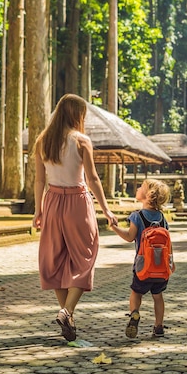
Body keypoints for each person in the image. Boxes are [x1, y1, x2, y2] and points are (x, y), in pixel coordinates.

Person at [32, 93, 118, 342]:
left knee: (55, 260)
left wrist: (38, 210)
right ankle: (67, 311)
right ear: (76, 115)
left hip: (52, 202)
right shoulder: (81, 140)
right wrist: (106, 209)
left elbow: (39, 180)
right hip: (78, 203)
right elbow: (92, 179)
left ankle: (66, 315)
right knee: (85, 257)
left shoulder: (42, 140)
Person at [110, 178, 173, 338]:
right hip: (161, 268)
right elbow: (168, 243)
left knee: (136, 293)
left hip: (142, 267)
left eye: (141, 187)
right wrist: (171, 263)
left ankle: (135, 313)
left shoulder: (137, 216)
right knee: (158, 297)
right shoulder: (162, 218)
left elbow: (130, 237)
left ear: (148, 195)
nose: (138, 188)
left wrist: (115, 228)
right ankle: (158, 326)